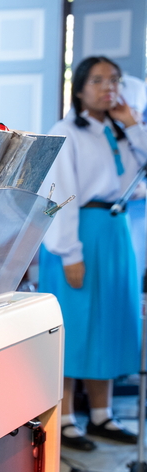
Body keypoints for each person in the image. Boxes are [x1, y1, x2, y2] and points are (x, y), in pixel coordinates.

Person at [39, 55, 147, 451]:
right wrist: (70, 254)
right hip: (78, 232)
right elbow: (60, 197)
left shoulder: (120, 132)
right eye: (98, 80)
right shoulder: (66, 132)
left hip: (114, 231)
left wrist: (133, 125)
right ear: (80, 88)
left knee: (109, 321)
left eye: (114, 80)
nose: (108, 87)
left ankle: (102, 415)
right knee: (75, 322)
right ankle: (65, 418)